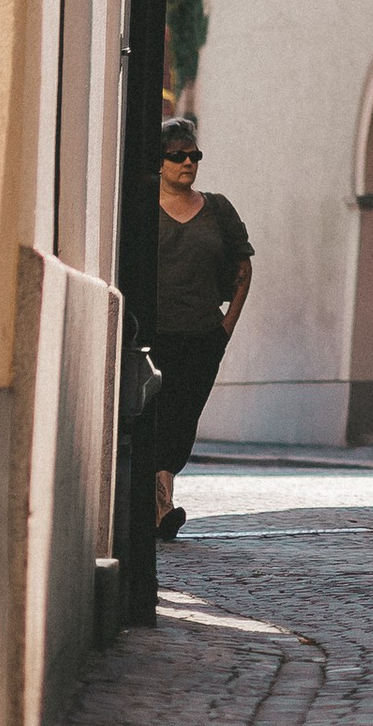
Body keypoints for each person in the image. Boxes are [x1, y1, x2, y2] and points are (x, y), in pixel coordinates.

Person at [153, 118, 251, 540]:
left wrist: (225, 329)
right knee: (154, 418)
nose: (187, 162)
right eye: (177, 156)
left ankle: (160, 504)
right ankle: (161, 508)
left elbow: (244, 269)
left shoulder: (218, 209)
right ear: (160, 162)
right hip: (151, 337)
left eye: (194, 155)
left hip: (201, 337)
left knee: (182, 420)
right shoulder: (141, 207)